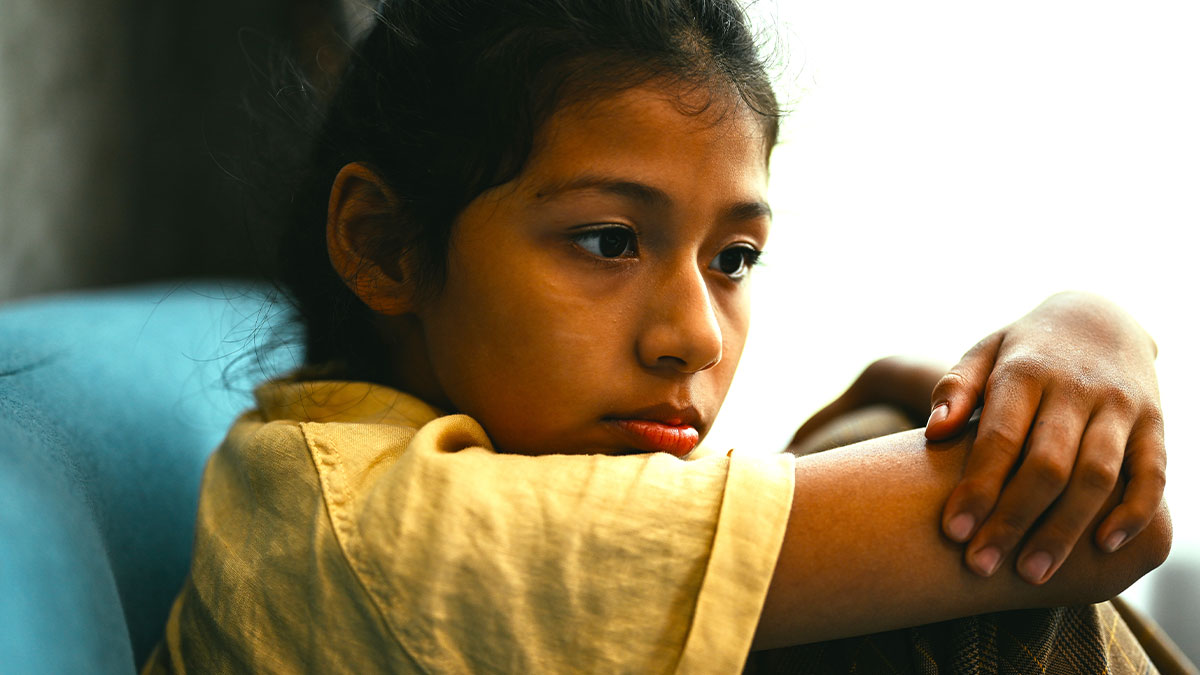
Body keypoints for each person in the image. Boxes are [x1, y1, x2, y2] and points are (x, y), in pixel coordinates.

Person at [144, 0, 1174, 672]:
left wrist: (1051, 352)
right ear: (384, 247)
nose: (693, 337)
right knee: (1010, 613)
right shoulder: (387, 530)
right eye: (607, 240)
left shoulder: (319, 470)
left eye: (732, 261)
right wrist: (1100, 330)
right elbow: (1103, 535)